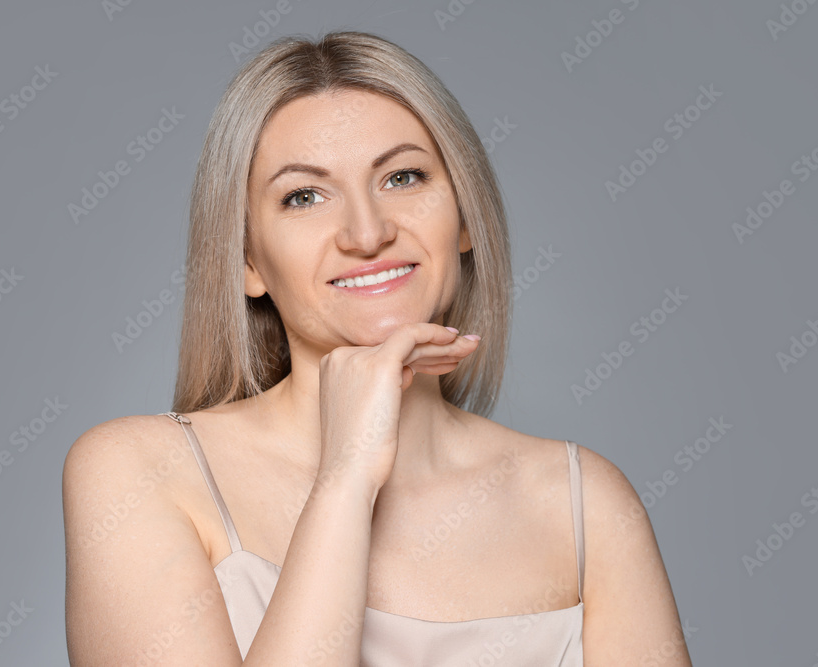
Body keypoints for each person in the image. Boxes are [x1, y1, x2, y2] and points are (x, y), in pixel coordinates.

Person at [63, 30, 692, 666]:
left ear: (464, 218)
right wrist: (346, 477)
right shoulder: (137, 473)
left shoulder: (584, 504)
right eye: (304, 196)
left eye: (402, 177)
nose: (367, 234)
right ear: (248, 261)